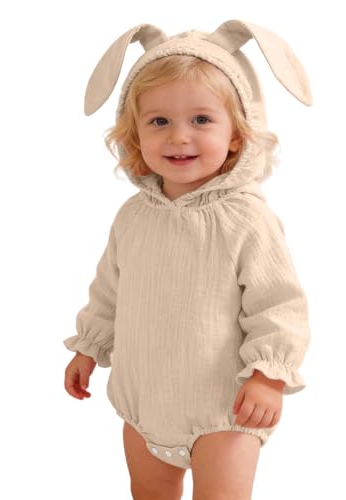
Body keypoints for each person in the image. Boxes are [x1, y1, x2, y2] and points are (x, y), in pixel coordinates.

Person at [63, 20, 313, 500]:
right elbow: (110, 290)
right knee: (148, 491)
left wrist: (267, 375)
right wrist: (89, 347)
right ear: (134, 134)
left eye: (201, 120)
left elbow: (278, 304)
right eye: (159, 122)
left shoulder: (247, 219)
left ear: (237, 133)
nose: (179, 137)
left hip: (225, 405)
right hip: (144, 399)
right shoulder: (134, 216)